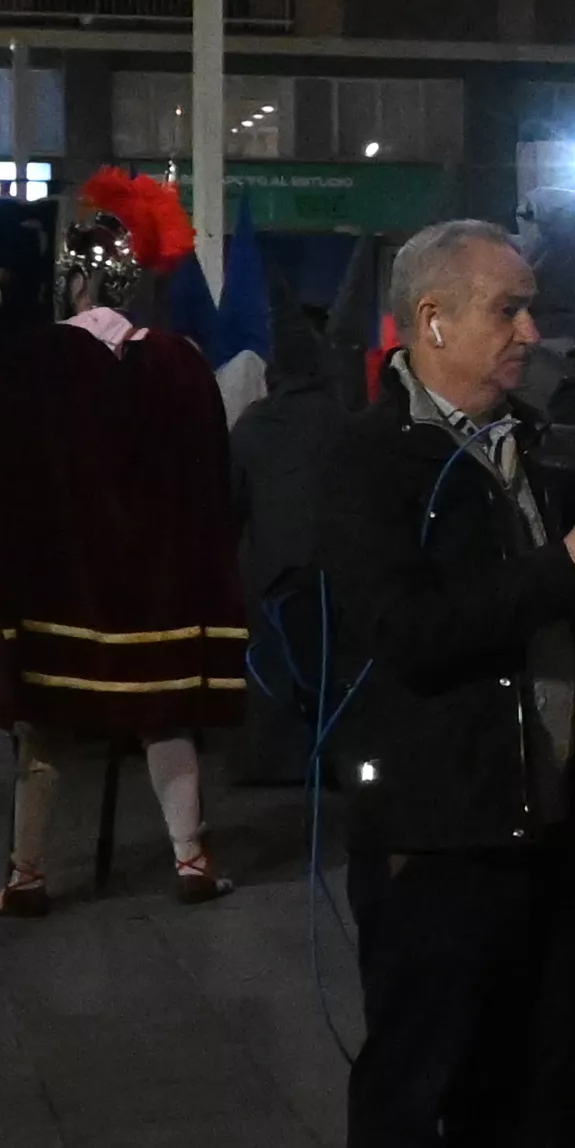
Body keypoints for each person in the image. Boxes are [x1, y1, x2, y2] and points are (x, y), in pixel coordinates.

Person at [319, 217, 575, 1148]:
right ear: (432, 321)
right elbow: (408, 633)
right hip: (435, 821)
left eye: (531, 307)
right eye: (506, 310)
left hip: (540, 806)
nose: (529, 332)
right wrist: (566, 568)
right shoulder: (372, 460)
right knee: (422, 1067)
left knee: (518, 1059)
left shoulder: (529, 443)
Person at [0, 177, 247, 912]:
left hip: (59, 592)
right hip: (161, 593)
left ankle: (26, 875)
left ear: (73, 282)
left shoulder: (30, 365)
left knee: (47, 732)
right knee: (164, 721)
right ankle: (191, 859)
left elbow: (5, 483)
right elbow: (210, 487)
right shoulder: (181, 365)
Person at [228, 276, 361, 790]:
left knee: (274, 671)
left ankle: (272, 761)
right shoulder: (344, 419)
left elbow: (231, 504)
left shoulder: (253, 424)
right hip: (335, 575)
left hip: (270, 578)